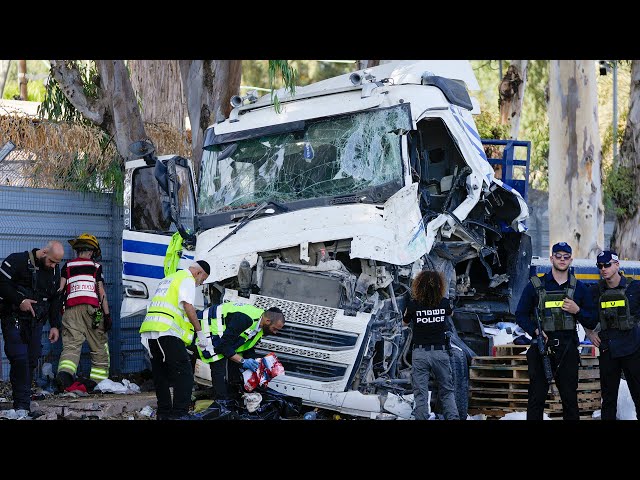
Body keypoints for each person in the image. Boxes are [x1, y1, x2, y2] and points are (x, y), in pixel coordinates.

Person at [515, 241, 596, 420]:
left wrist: (578, 311)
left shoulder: (580, 288)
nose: (562, 260)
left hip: (567, 349)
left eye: (566, 257)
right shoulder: (536, 285)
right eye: (558, 256)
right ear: (551, 258)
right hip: (542, 348)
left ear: (571, 260)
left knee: (569, 400)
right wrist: (535, 331)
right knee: (536, 399)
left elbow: (592, 319)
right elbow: (520, 314)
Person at [139, 260, 211, 420]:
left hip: (151, 331)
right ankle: (180, 415)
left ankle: (164, 414)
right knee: (184, 374)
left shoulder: (169, 278)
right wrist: (199, 332)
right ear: (198, 273)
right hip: (166, 331)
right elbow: (188, 306)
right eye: (203, 279)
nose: (201, 283)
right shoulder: (187, 279)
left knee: (161, 374)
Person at [0, 240, 64, 413]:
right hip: (13, 317)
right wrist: (20, 300)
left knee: (31, 359)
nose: (53, 266)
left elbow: (54, 300)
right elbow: (2, 285)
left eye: (56, 263)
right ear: (44, 252)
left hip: (36, 321)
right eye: (51, 261)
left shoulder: (54, 271)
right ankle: (21, 404)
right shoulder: (17, 261)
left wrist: (55, 325)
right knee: (19, 357)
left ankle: (24, 402)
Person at [585, 250, 640, 420]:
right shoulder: (595, 291)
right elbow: (582, 313)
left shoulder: (634, 287)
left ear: (617, 264)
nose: (603, 269)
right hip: (608, 351)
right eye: (600, 266)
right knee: (608, 401)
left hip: (633, 350)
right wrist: (589, 333)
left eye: (607, 264)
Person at [193, 303, 285, 400]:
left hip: (221, 334)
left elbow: (247, 346)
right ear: (267, 321)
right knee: (218, 363)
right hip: (206, 326)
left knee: (234, 369)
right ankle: (221, 402)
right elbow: (223, 346)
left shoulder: (260, 325)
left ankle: (230, 398)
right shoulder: (245, 319)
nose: (275, 333)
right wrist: (243, 361)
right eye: (274, 329)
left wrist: (256, 363)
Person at [55, 234, 111, 392]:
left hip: (71, 310)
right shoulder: (96, 267)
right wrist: (106, 315)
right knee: (99, 346)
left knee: (71, 346)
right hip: (92, 310)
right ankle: (97, 382)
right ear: (91, 252)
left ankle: (64, 377)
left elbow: (60, 289)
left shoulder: (67, 266)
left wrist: (57, 310)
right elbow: (101, 292)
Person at [403, 269, 459, 420]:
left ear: (418, 286)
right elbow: (450, 314)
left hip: (420, 354)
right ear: (440, 286)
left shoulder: (413, 305)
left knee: (420, 392)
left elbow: (404, 322)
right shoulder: (444, 303)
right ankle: (452, 418)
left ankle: (421, 417)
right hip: (440, 353)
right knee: (447, 390)